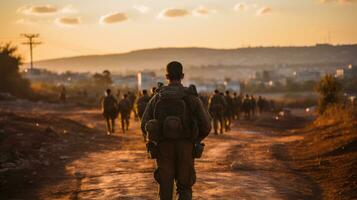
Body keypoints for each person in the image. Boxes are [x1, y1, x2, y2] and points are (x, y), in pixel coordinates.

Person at [141, 61, 211, 200]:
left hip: (163, 147)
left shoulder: (158, 97)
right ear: (182, 75)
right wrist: (195, 140)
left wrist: (156, 138)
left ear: (167, 76)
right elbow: (206, 126)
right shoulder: (191, 97)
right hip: (186, 147)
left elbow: (144, 124)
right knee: (184, 187)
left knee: (165, 189)